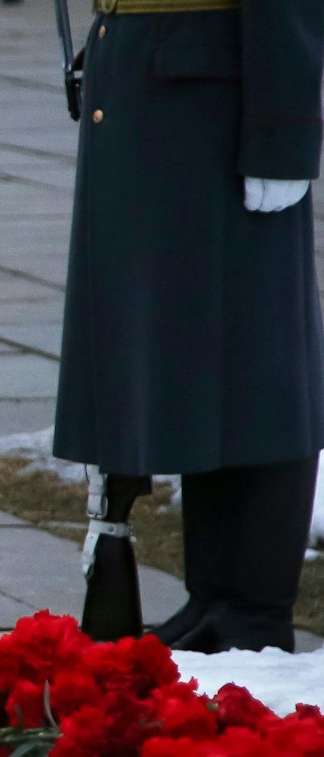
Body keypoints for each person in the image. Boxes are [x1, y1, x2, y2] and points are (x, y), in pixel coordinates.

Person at [55, 0, 324, 653]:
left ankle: (254, 606)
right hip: (148, 71)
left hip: (211, 97)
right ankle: (213, 594)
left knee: (258, 355)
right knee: (189, 356)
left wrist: (281, 130)